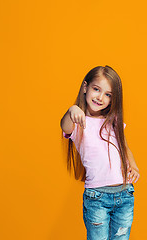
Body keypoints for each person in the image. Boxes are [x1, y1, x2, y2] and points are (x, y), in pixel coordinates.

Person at [60, 65, 140, 240]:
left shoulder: (113, 121)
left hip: (125, 194)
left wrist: (133, 165)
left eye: (108, 94)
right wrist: (72, 110)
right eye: (96, 89)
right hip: (97, 197)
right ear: (85, 87)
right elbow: (64, 126)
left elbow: (124, 147)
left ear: (113, 99)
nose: (100, 97)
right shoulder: (79, 122)